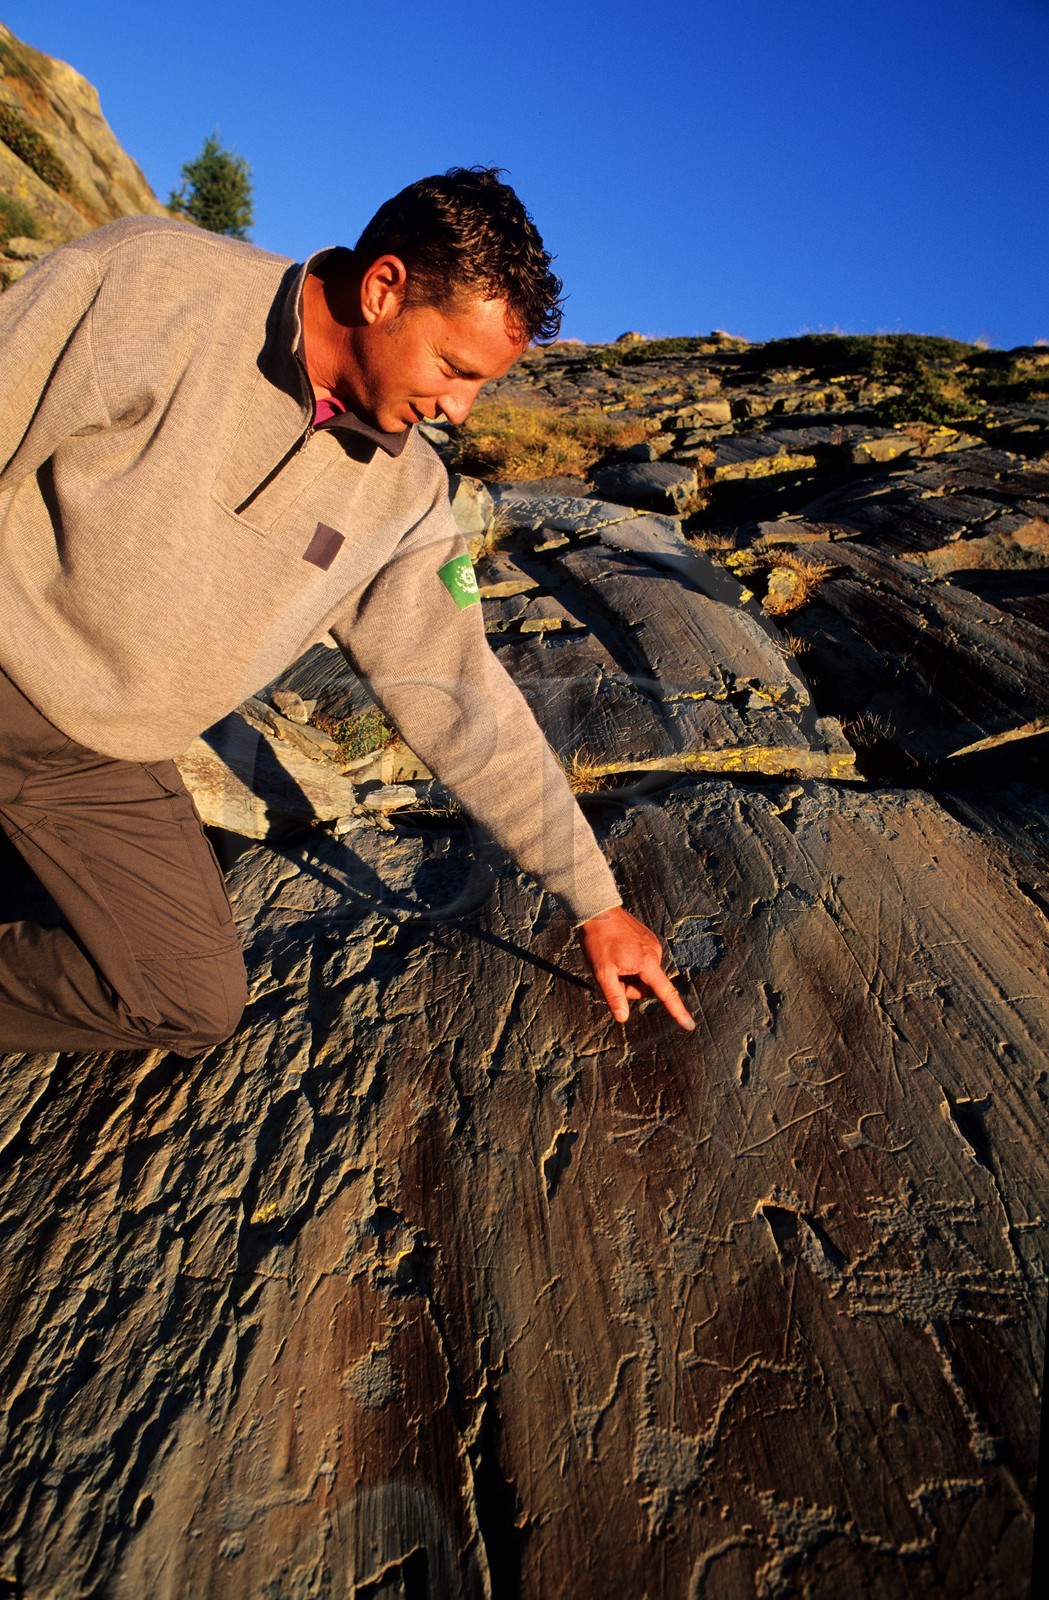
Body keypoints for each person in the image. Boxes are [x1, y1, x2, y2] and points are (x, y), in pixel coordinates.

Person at [0, 165, 695, 1055]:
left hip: (105, 758)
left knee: (187, 1001)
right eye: (454, 368)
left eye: (480, 385)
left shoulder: (408, 496)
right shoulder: (151, 281)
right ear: (382, 289)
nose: (458, 409)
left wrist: (595, 902)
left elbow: (460, 689)